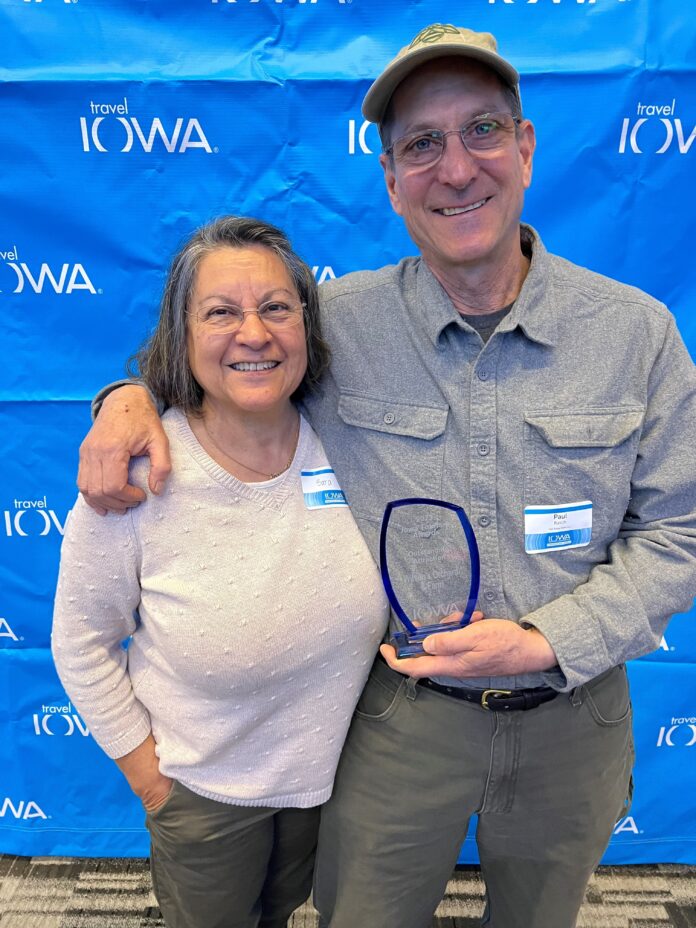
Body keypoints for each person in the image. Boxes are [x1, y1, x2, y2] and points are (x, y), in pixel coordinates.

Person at [76, 24, 696, 928]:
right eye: (422, 145)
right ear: (392, 178)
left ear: (525, 147)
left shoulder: (635, 334)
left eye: (482, 131)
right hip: (405, 717)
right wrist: (126, 393)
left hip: (578, 708)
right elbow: (223, 356)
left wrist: (547, 640)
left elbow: (679, 532)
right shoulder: (338, 323)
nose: (455, 169)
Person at [52, 216, 388, 928]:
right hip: (201, 794)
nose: (254, 333)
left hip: (328, 786)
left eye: (275, 307)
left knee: (284, 914)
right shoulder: (139, 477)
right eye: (220, 313)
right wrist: (152, 783)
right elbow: (80, 642)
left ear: (307, 323)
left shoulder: (354, 441)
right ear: (182, 335)